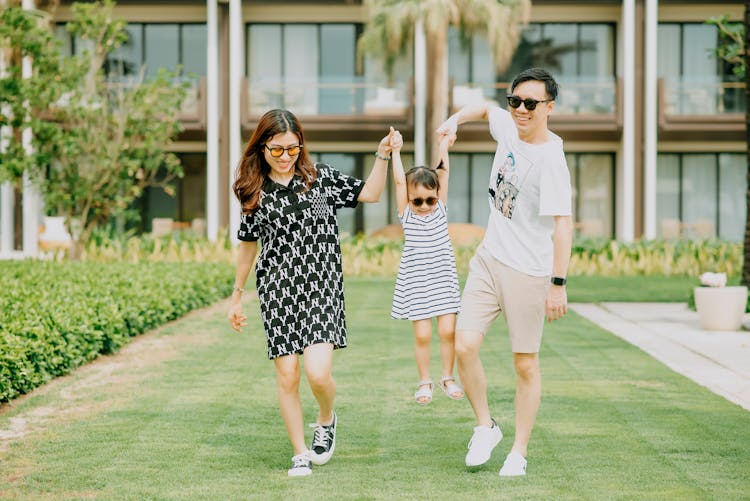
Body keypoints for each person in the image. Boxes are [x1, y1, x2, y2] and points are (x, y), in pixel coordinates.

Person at [228, 109, 402, 478]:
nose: (286, 156)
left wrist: (383, 155)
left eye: (293, 148)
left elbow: (370, 193)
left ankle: (326, 418)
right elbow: (247, 245)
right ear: (262, 147)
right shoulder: (254, 191)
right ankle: (300, 453)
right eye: (277, 150)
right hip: (277, 289)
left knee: (318, 373)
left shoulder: (318, 177)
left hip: (322, 285)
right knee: (288, 375)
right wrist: (237, 294)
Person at [437, 67, 573, 477]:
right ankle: (485, 426)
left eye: (531, 104)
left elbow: (563, 225)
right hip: (489, 258)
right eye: (516, 101)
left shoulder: (551, 159)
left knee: (525, 364)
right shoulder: (508, 126)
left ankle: (519, 451)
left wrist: (557, 285)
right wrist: (452, 121)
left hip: (529, 272)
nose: (521, 109)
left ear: (549, 108)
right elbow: (483, 109)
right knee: (463, 346)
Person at [390, 134, 464, 405]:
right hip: (418, 282)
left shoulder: (441, 210)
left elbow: (443, 172)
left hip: (442, 279)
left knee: (448, 332)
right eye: (417, 200)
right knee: (422, 335)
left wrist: (444, 146)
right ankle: (424, 381)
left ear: (437, 197)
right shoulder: (407, 215)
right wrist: (395, 152)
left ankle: (447, 377)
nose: (423, 206)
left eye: (429, 200)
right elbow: (399, 181)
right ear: (409, 199)